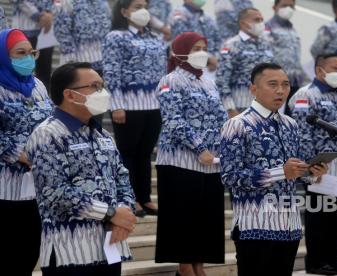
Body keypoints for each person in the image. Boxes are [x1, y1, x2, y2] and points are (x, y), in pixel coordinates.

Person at [26, 62, 137, 275]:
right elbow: (56, 192)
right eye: (94, 86)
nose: (102, 92)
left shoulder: (103, 136)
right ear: (70, 94)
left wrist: (124, 214)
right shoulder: (47, 135)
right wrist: (111, 213)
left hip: (110, 246)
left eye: (102, 86)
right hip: (71, 251)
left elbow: (122, 178)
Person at [220, 63, 328, 276]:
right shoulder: (237, 124)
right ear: (253, 89)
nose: (281, 90)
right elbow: (230, 177)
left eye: (285, 85)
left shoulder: (291, 125)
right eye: (273, 84)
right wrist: (280, 172)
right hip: (255, 226)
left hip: (289, 226)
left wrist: (310, 174)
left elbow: (292, 174)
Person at [155, 32, 227, 276]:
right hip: (179, 161)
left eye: (204, 47)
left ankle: (199, 265)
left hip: (210, 162)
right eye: (196, 47)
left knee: (205, 218)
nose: (202, 52)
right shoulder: (170, 80)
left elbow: (221, 118)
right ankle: (184, 266)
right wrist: (199, 148)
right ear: (180, 51)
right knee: (182, 217)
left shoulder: (208, 82)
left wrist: (223, 148)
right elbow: (173, 120)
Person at [289, 54, 337, 275]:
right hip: (320, 167)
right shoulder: (305, 95)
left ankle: (334, 258)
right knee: (319, 215)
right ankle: (316, 262)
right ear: (320, 71)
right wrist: (311, 165)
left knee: (336, 215)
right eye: (335, 67)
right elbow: (301, 133)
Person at [103, 0, 166, 218]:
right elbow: (111, 72)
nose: (143, 10)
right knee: (127, 154)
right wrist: (116, 105)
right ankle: (129, 199)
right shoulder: (116, 37)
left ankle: (145, 198)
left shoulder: (155, 38)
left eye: (145, 6)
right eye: (137, 6)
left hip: (153, 104)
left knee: (145, 154)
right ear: (124, 11)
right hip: (128, 105)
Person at [0, 28, 53, 276]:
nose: (28, 58)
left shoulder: (38, 85)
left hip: (36, 186)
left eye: (31, 53)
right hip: (5, 185)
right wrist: (19, 153)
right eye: (19, 53)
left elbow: (51, 122)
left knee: (29, 251)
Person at [216, 8, 274, 118]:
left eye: (262, 19)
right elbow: (221, 80)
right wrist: (230, 109)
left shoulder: (267, 44)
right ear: (243, 23)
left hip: (264, 109)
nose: (261, 23)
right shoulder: (231, 45)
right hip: (240, 108)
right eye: (257, 20)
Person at [266, 0, 306, 114]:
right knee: (271, 113)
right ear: (274, 7)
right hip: (277, 80)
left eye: (291, 6)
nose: (288, 8)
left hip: (294, 80)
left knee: (292, 116)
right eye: (284, 5)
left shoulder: (292, 29)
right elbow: (266, 54)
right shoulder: (268, 27)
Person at [53, 0, 111, 73]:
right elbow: (61, 30)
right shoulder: (67, 3)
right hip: (80, 61)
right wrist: (71, 58)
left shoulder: (103, 2)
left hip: (104, 59)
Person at [12, 0, 54, 90]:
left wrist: (50, 14)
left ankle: (43, 99)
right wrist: (38, 16)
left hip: (46, 29)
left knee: (45, 70)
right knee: (23, 68)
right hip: (24, 28)